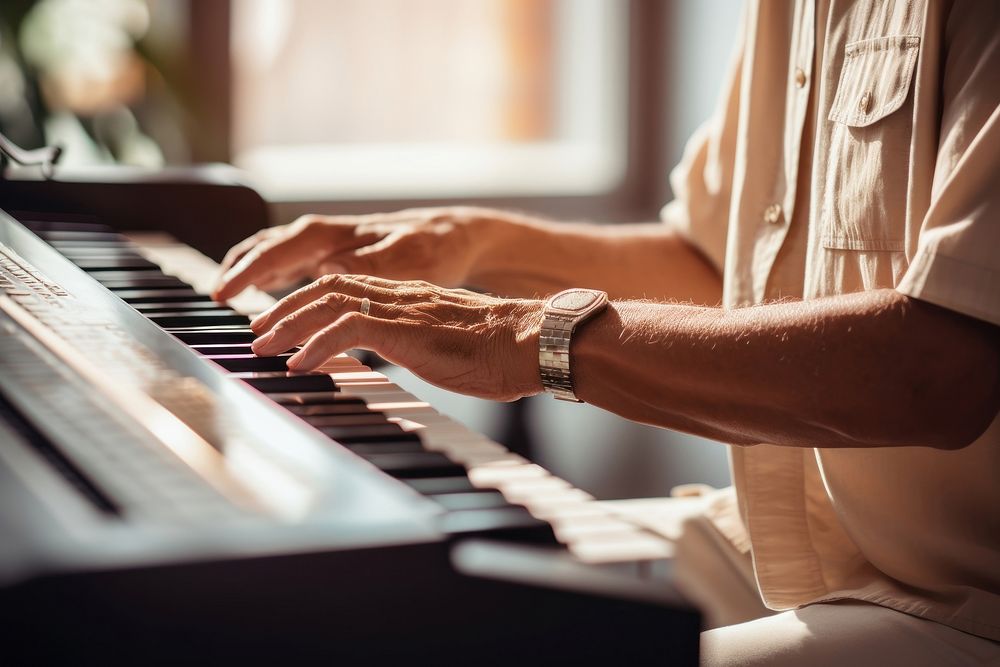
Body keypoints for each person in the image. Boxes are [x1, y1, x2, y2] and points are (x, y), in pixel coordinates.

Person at [213, 0, 1000, 663]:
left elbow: (936, 370)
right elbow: (712, 266)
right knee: (372, 603)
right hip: (792, 542)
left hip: (959, 598)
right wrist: (473, 241)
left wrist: (526, 337)